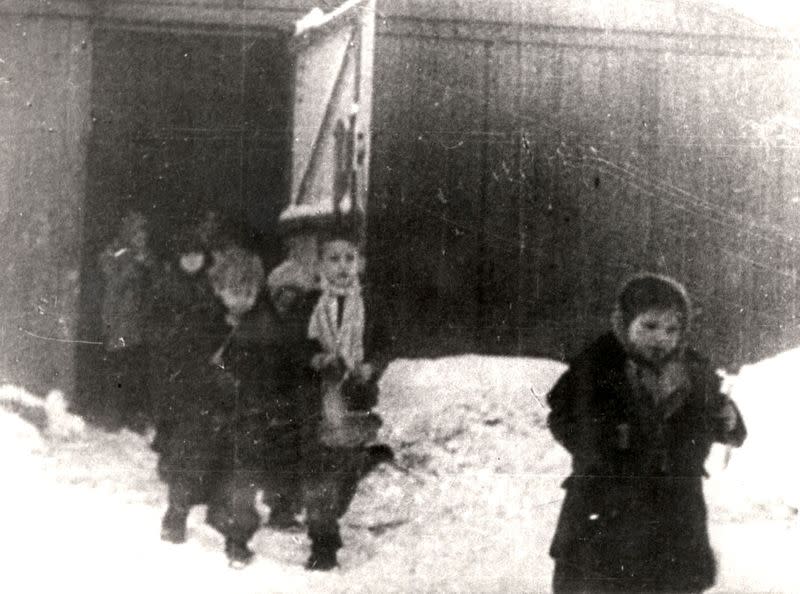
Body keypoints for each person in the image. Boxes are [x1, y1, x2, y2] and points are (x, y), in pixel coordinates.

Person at [546, 273, 747, 593]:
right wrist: (605, 442)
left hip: (675, 519)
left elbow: (729, 430)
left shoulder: (695, 375)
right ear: (625, 323)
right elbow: (562, 417)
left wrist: (730, 420)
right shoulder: (597, 366)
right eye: (649, 326)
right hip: (606, 512)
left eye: (672, 330)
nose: (661, 338)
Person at [302, 227, 395, 570]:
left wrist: (371, 366)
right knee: (319, 474)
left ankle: (359, 469)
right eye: (333, 258)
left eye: (349, 258)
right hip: (318, 397)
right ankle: (322, 546)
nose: (342, 266)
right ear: (320, 265)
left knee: (344, 472)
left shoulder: (370, 304)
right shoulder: (308, 304)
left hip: (356, 396)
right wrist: (315, 358)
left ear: (360, 263)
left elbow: (386, 343)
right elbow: (296, 345)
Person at [97, 210, 154, 432]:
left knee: (136, 368)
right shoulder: (115, 251)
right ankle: (113, 416)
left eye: (144, 232)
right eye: (138, 231)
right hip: (119, 321)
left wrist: (145, 262)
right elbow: (110, 275)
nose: (142, 236)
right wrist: (131, 264)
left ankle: (134, 417)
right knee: (117, 366)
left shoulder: (146, 255)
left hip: (139, 321)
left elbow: (156, 279)